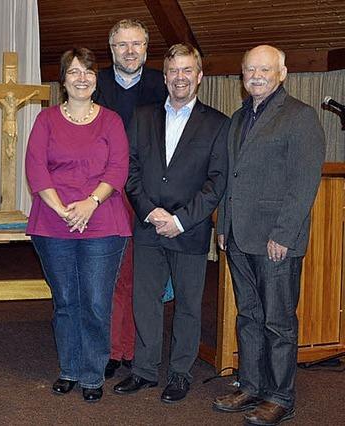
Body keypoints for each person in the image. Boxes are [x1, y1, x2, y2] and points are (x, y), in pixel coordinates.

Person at [214, 45, 325, 425]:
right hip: (238, 238)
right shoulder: (238, 117)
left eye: (264, 69)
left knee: (278, 322)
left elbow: (303, 182)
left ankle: (281, 396)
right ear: (242, 76)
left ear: (283, 73)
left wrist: (284, 233)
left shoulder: (300, 117)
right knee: (248, 316)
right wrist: (223, 225)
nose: (256, 76)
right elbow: (232, 177)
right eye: (249, 70)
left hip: (276, 239)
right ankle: (252, 385)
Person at [115, 43, 228, 403]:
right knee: (144, 301)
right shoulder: (143, 116)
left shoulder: (217, 123)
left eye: (187, 71)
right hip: (148, 226)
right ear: (164, 77)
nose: (180, 77)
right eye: (173, 71)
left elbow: (216, 182)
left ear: (199, 76)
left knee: (189, 307)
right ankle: (145, 371)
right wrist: (149, 211)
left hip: (190, 230)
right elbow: (130, 171)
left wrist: (180, 219)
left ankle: (180, 373)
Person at [26, 47, 131, 403]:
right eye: (74, 72)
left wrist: (90, 203)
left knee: (97, 302)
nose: (82, 78)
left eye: (88, 72)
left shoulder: (112, 121)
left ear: (96, 79)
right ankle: (69, 369)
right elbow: (36, 167)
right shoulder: (46, 120)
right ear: (63, 80)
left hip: (102, 222)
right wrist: (60, 208)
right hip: (53, 223)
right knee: (66, 300)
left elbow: (118, 168)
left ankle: (92, 373)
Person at [93, 18, 168, 379]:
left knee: (137, 277)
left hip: (143, 194)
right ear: (111, 50)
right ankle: (109, 347)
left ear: (146, 48)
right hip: (102, 193)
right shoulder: (95, 83)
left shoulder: (162, 83)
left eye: (137, 44)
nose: (130, 51)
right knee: (107, 273)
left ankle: (134, 348)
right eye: (122, 45)